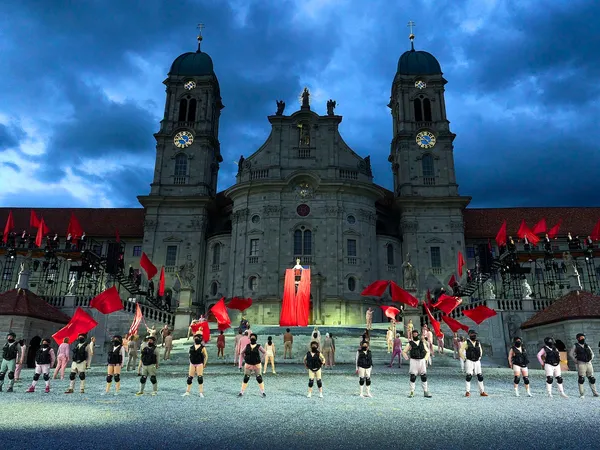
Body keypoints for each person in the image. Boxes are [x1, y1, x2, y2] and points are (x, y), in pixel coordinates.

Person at [403, 329, 432, 398]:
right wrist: (406, 357)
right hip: (413, 361)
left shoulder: (422, 343)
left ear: (418, 334)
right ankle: (412, 391)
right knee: (413, 377)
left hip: (421, 360)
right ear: (412, 335)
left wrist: (425, 359)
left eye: (416, 334)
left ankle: (425, 391)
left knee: (424, 376)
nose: (415, 335)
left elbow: (427, 351)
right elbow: (404, 351)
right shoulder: (410, 344)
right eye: (414, 334)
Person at [568, 333, 599, 398]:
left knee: (592, 378)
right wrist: (575, 360)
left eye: (583, 337)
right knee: (581, 379)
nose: (583, 339)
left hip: (589, 364)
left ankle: (595, 392)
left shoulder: (587, 345)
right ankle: (582, 394)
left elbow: (592, 353)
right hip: (581, 363)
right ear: (578, 339)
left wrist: (590, 359)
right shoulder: (575, 346)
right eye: (581, 338)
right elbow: (571, 354)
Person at [459, 330, 488, 397]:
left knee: (480, 376)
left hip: (477, 361)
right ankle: (467, 391)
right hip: (469, 361)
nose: (474, 335)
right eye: (472, 334)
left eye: (475, 334)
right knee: (469, 376)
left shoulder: (478, 342)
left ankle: (482, 391)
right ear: (469, 335)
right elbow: (460, 350)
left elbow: (480, 350)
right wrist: (464, 358)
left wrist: (479, 357)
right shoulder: (466, 343)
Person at [238, 333, 266, 398]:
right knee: (246, 378)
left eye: (254, 338)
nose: (252, 339)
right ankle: (241, 392)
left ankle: (263, 392)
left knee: (259, 378)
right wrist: (245, 358)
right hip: (248, 364)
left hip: (257, 364)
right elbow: (242, 352)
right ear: (250, 339)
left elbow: (264, 352)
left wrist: (261, 360)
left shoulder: (259, 346)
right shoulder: (247, 346)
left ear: (256, 339)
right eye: (251, 337)